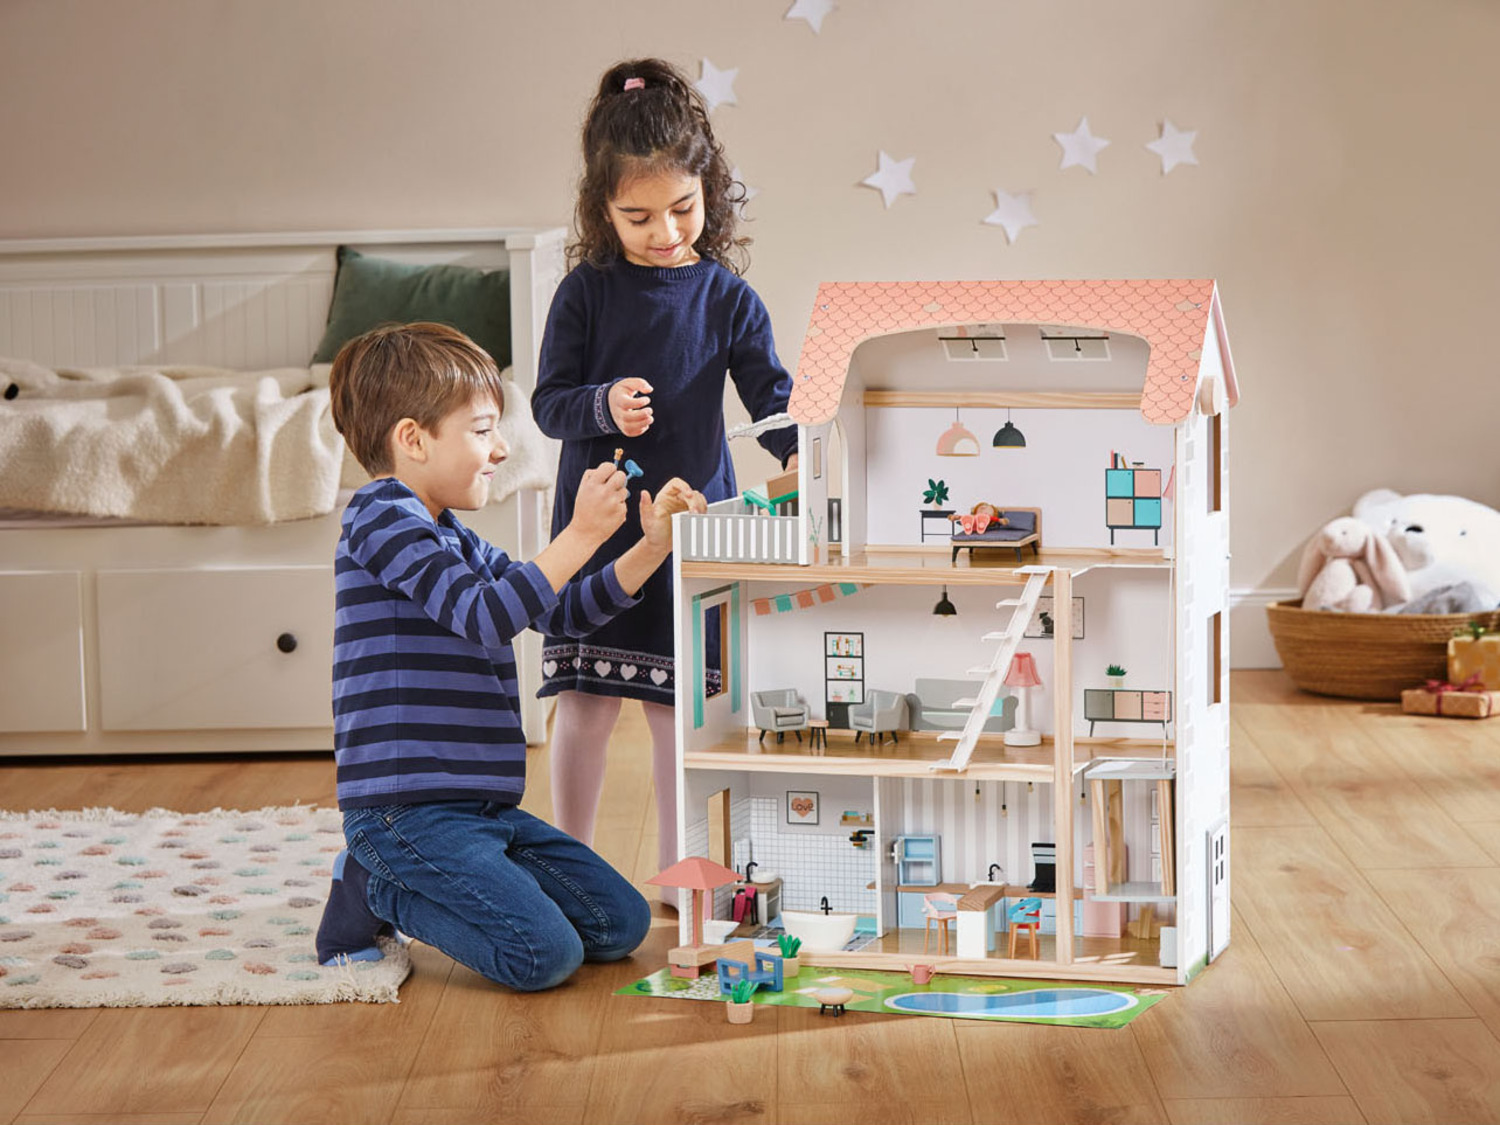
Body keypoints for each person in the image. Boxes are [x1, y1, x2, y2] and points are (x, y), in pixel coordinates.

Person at [314, 321, 705, 991]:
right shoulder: (380, 519)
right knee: (541, 955)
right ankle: (377, 891)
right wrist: (579, 534)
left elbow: (559, 612)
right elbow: (485, 614)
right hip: (404, 810)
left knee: (620, 925)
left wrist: (649, 548)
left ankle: (458, 879)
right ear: (412, 439)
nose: (499, 449)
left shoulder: (453, 537)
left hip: (480, 808)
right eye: (481, 430)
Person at [531, 58, 798, 880]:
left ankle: (685, 875)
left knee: (679, 716)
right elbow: (548, 405)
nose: (664, 231)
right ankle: (572, 869)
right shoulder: (585, 293)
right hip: (599, 529)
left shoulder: (728, 298)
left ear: (709, 190)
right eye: (636, 215)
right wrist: (602, 407)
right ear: (601, 209)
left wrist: (816, 455)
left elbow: (773, 404)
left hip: (693, 533)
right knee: (583, 706)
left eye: (681, 209)